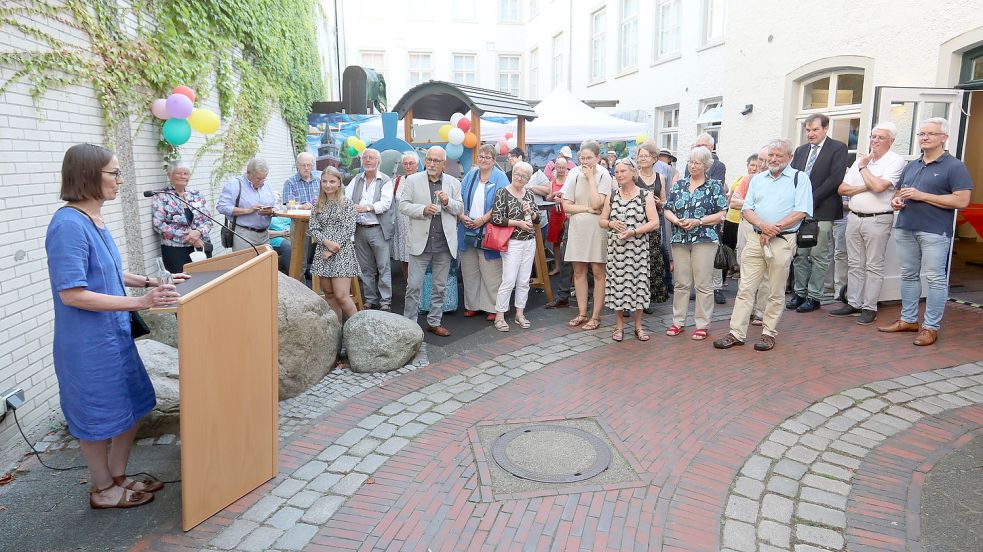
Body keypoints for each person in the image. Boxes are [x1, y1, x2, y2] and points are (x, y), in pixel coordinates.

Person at [46, 143, 186, 509]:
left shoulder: (95, 219)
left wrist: (148, 282)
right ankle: (103, 490)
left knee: (134, 407)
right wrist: (141, 303)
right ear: (89, 175)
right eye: (115, 173)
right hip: (87, 345)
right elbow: (73, 294)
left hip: (114, 337)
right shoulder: (67, 225)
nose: (121, 181)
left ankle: (118, 476)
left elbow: (106, 272)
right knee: (97, 419)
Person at [879, 117, 973, 346]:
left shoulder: (954, 166)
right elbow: (898, 193)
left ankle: (930, 327)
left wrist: (923, 196)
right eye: (921, 134)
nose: (924, 137)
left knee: (935, 279)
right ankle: (909, 320)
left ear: (944, 138)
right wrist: (896, 202)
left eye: (930, 134)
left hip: (934, 231)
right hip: (906, 227)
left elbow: (962, 200)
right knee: (909, 275)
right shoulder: (912, 165)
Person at [714, 139, 813, 351]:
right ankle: (736, 333)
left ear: (789, 157)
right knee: (745, 288)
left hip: (782, 240)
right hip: (755, 238)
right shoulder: (758, 179)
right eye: (771, 155)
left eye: (779, 155)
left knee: (775, 291)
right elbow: (747, 209)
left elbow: (802, 210)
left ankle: (768, 333)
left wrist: (773, 228)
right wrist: (761, 225)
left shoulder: (799, 178)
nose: (774, 159)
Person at [830, 122, 906, 325]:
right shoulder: (861, 160)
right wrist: (867, 184)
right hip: (854, 217)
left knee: (873, 265)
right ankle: (854, 302)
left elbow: (880, 187)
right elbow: (842, 189)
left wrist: (864, 169)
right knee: (854, 263)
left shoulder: (895, 161)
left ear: (891, 141)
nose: (875, 141)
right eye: (873, 137)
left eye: (880, 137)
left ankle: (869, 307)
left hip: (878, 219)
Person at [663, 147, 728, 340]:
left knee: (703, 283)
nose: (692, 165)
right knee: (681, 282)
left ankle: (702, 324)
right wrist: (675, 221)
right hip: (680, 238)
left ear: (706, 165)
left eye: (697, 163)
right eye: (690, 161)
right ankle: (678, 322)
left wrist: (698, 221)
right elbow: (667, 209)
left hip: (704, 238)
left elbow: (721, 213)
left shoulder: (714, 186)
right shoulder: (680, 184)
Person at [786, 113, 848, 313]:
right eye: (808, 130)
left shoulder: (837, 148)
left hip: (823, 210)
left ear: (825, 128)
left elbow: (834, 179)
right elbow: (794, 178)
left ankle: (814, 296)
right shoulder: (801, 150)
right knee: (800, 254)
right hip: (800, 213)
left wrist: (809, 201)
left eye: (815, 130)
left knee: (818, 254)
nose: (810, 134)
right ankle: (800, 293)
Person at [399, 146, 464, 336]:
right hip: (421, 243)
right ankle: (408, 325)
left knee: (440, 286)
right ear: (425, 161)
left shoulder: (453, 183)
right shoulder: (412, 180)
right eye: (429, 160)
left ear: (444, 164)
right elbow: (402, 206)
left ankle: (434, 322)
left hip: (444, 243)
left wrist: (446, 202)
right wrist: (422, 210)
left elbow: (459, 207)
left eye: (437, 160)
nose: (432, 164)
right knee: (413, 286)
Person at [600, 157, 660, 342]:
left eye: (622, 171)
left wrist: (633, 232)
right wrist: (611, 223)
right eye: (616, 172)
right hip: (617, 251)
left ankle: (638, 326)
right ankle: (618, 327)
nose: (618, 175)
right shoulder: (612, 195)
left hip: (638, 251)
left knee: (639, 287)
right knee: (618, 287)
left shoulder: (645, 195)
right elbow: (601, 221)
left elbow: (655, 223)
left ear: (633, 173)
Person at [561, 139, 612, 331]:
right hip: (577, 228)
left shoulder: (604, 175)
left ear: (597, 158)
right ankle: (582, 312)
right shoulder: (573, 173)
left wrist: (590, 178)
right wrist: (587, 209)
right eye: (582, 158)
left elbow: (598, 203)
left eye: (589, 158)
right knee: (578, 271)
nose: (585, 162)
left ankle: (596, 316)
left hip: (597, 228)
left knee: (598, 273)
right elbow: (566, 205)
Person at [458, 143, 509, 320]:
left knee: (490, 270)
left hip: (488, 229)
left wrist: (482, 219)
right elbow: (459, 197)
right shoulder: (471, 175)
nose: (483, 159)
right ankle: (473, 305)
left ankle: (492, 307)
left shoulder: (500, 177)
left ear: (494, 160)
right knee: (469, 269)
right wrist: (462, 216)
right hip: (466, 227)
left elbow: (501, 204)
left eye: (487, 157)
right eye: (481, 156)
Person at [490, 161, 541, 331]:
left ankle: (520, 314)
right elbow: (496, 218)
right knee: (509, 280)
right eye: (517, 174)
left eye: (523, 176)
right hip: (512, 242)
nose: (519, 178)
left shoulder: (529, 194)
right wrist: (517, 223)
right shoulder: (502, 193)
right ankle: (500, 316)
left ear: (528, 179)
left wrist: (531, 212)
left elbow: (537, 219)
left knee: (524, 280)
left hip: (529, 241)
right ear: (512, 174)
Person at [309, 166, 360, 323]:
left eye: (332, 181)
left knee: (342, 295)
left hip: (341, 253)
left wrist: (333, 249)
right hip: (322, 252)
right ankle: (337, 331)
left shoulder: (346, 203)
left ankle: (360, 328)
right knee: (329, 294)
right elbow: (313, 227)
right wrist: (326, 242)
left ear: (339, 183)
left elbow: (349, 228)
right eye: (324, 181)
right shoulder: (318, 204)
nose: (328, 185)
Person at [345, 148, 394, 311]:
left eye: (371, 158)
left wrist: (367, 207)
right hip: (359, 229)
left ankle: (385, 300)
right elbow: (345, 198)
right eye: (365, 158)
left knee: (383, 266)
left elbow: (386, 204)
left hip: (378, 229)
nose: (367, 160)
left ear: (378, 162)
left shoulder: (385, 180)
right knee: (365, 268)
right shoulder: (356, 180)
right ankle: (370, 299)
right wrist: (350, 207)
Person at [151, 160, 213, 273]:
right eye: (178, 173)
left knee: (204, 280)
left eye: (185, 173)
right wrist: (189, 237)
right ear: (170, 175)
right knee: (182, 283)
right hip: (175, 250)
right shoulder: (161, 196)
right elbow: (158, 224)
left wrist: (198, 233)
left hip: (201, 245)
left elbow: (209, 220)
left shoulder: (196, 194)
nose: (182, 176)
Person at [729, 151, 769, 325]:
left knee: (766, 272)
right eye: (760, 159)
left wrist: (747, 205)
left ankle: (761, 311)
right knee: (744, 267)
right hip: (746, 226)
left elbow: (742, 203)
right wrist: (755, 205)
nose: (763, 163)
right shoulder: (748, 180)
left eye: (766, 160)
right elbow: (733, 203)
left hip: (767, 228)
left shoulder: (778, 182)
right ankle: (747, 309)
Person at [634, 141, 670, 309]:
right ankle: (630, 301)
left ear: (654, 158)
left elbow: (664, 202)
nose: (642, 159)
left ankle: (645, 300)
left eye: (645, 156)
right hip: (635, 222)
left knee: (651, 260)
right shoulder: (633, 176)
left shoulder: (660, 178)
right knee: (634, 261)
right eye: (640, 156)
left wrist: (659, 203)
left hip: (654, 224)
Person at [216, 158, 276, 251]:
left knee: (266, 264)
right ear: (249, 173)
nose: (261, 182)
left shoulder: (267, 185)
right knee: (246, 264)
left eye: (264, 178)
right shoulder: (235, 184)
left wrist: (271, 211)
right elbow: (221, 207)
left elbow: (276, 203)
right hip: (243, 235)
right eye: (258, 178)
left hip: (264, 235)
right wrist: (248, 210)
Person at [282, 152, 320, 278]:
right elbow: (288, 205)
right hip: (299, 226)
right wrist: (302, 207)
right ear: (297, 165)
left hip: (319, 224)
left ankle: (321, 293)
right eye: (303, 165)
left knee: (321, 261)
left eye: (309, 165)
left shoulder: (319, 181)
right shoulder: (290, 182)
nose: (307, 168)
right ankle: (301, 295)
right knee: (299, 263)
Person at [391, 152, 418, 279]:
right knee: (404, 259)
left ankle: (420, 293)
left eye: (411, 163)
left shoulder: (423, 179)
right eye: (406, 163)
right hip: (401, 228)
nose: (408, 166)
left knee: (417, 260)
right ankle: (408, 288)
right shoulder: (397, 181)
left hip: (417, 227)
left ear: (417, 165)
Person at [545, 157, 570, 276]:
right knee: (555, 242)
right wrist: (553, 195)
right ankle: (558, 266)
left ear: (566, 168)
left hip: (566, 214)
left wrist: (562, 199)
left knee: (567, 242)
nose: (561, 170)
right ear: (555, 167)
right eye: (559, 167)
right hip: (555, 214)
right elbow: (547, 198)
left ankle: (568, 270)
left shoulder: (569, 182)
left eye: (563, 167)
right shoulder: (552, 182)